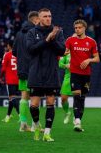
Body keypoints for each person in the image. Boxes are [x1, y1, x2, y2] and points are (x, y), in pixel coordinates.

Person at [26, 8, 65, 142]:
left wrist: (52, 39)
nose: (48, 18)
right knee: (34, 105)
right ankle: (36, 125)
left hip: (51, 73)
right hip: (36, 73)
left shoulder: (57, 32)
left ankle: (47, 133)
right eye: (45, 16)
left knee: (50, 102)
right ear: (39, 18)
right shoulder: (32, 32)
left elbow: (62, 50)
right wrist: (47, 40)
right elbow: (31, 50)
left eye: (49, 16)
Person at [65, 19, 100, 132]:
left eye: (79, 27)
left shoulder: (91, 41)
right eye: (75, 28)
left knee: (82, 98)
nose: (77, 29)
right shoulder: (70, 40)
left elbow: (97, 58)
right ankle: (77, 121)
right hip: (74, 73)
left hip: (86, 74)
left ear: (84, 28)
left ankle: (78, 120)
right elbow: (64, 52)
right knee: (76, 96)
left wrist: (89, 60)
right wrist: (62, 53)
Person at [12, 11, 39, 132]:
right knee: (35, 97)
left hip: (22, 69)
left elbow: (13, 52)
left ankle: (23, 124)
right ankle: (35, 125)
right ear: (35, 20)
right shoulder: (35, 32)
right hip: (33, 68)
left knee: (24, 96)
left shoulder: (18, 34)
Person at [0, 41, 20, 124]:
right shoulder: (19, 54)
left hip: (10, 80)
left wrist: (1, 77)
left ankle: (21, 116)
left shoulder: (7, 54)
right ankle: (8, 116)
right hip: (18, 79)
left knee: (12, 98)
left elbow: (3, 68)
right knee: (11, 98)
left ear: (9, 46)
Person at [59, 53, 72, 124]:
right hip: (68, 76)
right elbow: (60, 64)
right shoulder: (66, 53)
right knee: (63, 98)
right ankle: (67, 113)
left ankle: (77, 118)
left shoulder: (80, 50)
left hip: (79, 75)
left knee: (78, 98)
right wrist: (65, 65)